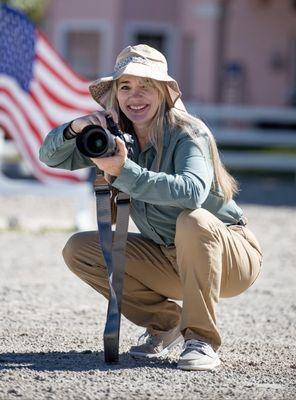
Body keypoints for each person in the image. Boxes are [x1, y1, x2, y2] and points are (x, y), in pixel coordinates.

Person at [39, 44, 263, 371]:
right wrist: (76, 128)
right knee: (79, 249)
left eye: (146, 86)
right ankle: (164, 323)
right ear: (115, 95)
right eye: (125, 87)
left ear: (163, 92)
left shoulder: (188, 132)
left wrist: (124, 171)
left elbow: (191, 193)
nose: (135, 95)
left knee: (194, 220)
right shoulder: (116, 139)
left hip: (230, 255)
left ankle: (201, 339)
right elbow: (49, 157)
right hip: (168, 257)